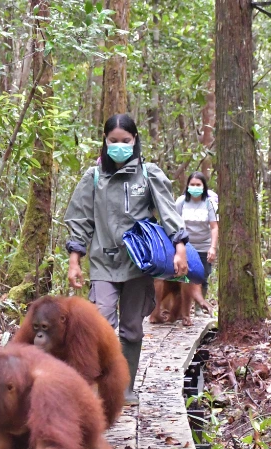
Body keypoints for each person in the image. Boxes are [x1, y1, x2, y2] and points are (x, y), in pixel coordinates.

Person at [64, 113, 189, 405]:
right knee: (101, 324)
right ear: (105, 142)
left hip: (138, 264)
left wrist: (180, 247)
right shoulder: (93, 177)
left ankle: (125, 388)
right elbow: (81, 220)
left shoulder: (148, 174)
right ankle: (100, 387)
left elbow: (168, 211)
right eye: (113, 141)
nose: (119, 146)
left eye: (125, 141)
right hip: (103, 263)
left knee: (132, 327)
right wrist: (74, 260)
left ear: (135, 141)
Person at [174, 171, 219, 310]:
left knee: (202, 277)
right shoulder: (181, 201)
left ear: (204, 186)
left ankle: (200, 308)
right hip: (185, 246)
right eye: (192, 184)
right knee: (183, 277)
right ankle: (183, 310)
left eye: (198, 184)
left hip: (203, 246)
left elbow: (214, 227)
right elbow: (174, 223)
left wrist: (212, 247)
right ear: (187, 186)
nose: (195, 187)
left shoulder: (209, 203)